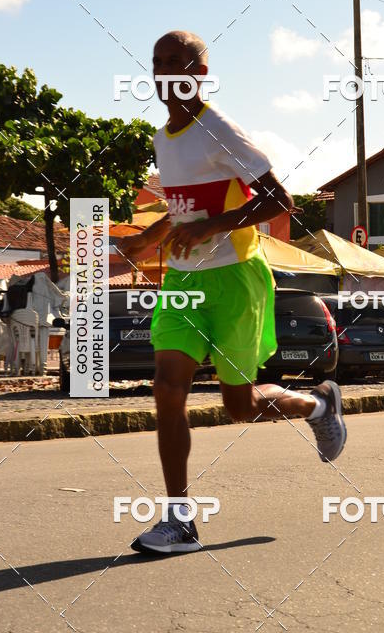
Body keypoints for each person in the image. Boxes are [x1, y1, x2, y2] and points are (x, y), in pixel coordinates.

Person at [118, 30, 347, 554]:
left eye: (177, 62)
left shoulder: (218, 129)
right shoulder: (163, 139)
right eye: (157, 63)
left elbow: (278, 201)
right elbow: (183, 215)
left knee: (238, 408)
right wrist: (146, 240)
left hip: (237, 279)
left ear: (200, 72)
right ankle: (179, 521)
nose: (165, 72)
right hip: (183, 281)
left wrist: (215, 225)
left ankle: (318, 406)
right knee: (167, 388)